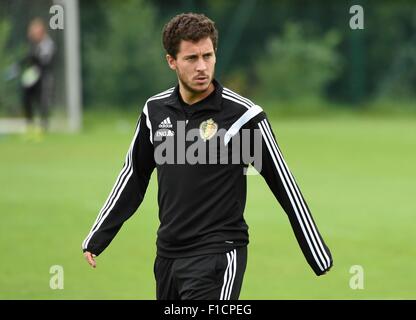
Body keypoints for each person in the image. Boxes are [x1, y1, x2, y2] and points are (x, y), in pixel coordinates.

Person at [82, 13, 333, 300]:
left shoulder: (242, 117)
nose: (202, 66)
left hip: (219, 255)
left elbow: (283, 183)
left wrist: (315, 251)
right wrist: (99, 235)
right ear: (171, 61)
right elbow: (133, 177)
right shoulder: (155, 111)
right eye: (191, 58)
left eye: (208, 56)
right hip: (167, 256)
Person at [21, 18, 55, 134]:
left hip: (44, 76)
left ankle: (43, 126)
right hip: (33, 75)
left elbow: (45, 61)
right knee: (27, 98)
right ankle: (30, 124)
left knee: (43, 100)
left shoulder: (47, 43)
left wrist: (33, 60)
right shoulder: (33, 44)